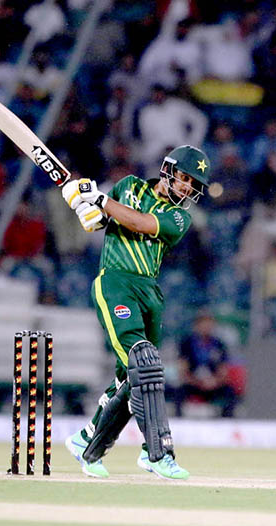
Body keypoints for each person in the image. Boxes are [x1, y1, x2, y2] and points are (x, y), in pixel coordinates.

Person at [61, 144, 211, 480]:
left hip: (149, 291)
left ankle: (86, 441)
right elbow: (98, 221)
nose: (187, 187)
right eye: (185, 178)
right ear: (168, 170)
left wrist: (97, 198)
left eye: (193, 185)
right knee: (142, 363)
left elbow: (140, 222)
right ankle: (157, 452)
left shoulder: (179, 217)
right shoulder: (128, 186)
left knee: (137, 376)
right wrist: (80, 203)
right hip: (115, 281)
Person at [173, 310, 240, 417]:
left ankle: (227, 422)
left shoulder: (219, 344)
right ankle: (178, 421)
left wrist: (214, 381)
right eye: (203, 323)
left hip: (213, 383)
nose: (207, 327)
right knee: (178, 392)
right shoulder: (187, 343)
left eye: (209, 324)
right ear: (197, 325)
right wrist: (196, 382)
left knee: (230, 392)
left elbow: (223, 370)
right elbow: (182, 370)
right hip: (193, 383)